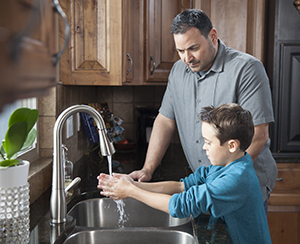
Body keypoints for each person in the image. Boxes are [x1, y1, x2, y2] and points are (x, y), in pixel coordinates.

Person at [129, 9, 277, 214]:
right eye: (180, 51)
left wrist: (224, 180)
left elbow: (258, 136)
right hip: (205, 185)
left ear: (213, 37)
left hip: (240, 187)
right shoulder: (178, 72)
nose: (187, 58)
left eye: (193, 48)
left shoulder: (247, 69)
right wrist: (147, 169)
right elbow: (165, 121)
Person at [98, 103, 272, 244]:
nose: (204, 147)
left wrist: (131, 192)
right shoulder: (227, 165)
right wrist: (133, 184)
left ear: (232, 145)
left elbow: (180, 205)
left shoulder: (236, 179)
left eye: (208, 142)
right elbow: (182, 186)